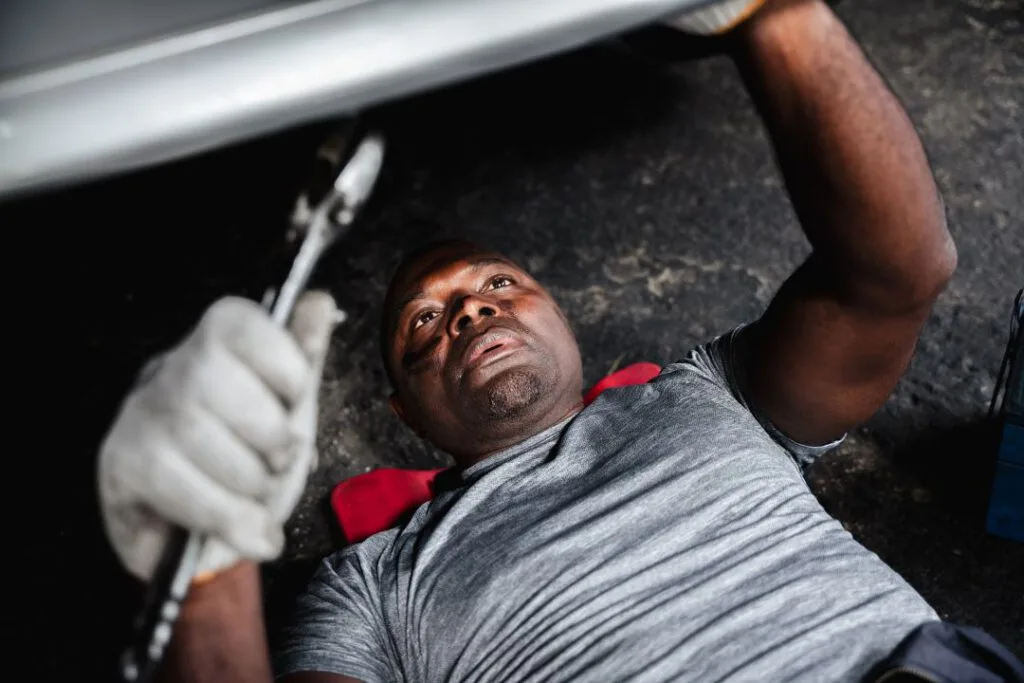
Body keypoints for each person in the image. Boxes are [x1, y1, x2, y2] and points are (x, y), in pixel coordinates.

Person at [97, 1, 1022, 681]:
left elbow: (895, 271)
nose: (470, 309)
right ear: (403, 410)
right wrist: (205, 558)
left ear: (565, 325)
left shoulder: (710, 393)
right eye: (427, 320)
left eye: (500, 286)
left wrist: (774, 18)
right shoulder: (367, 588)